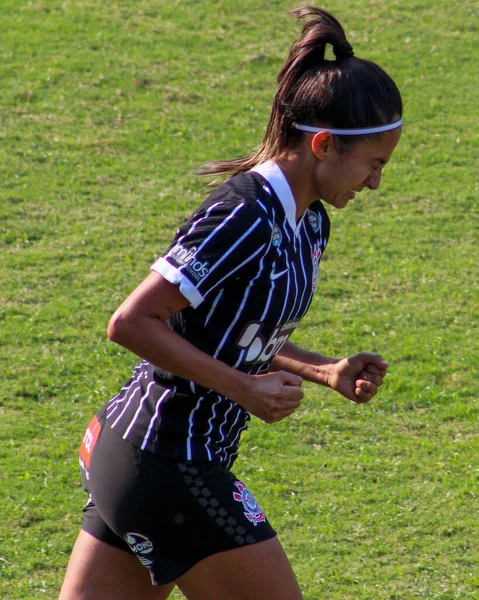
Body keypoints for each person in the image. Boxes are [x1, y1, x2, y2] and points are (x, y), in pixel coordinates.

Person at [59, 6, 402, 600]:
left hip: (148, 462)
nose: (375, 183)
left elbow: (238, 329)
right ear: (323, 144)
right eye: (374, 164)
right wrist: (243, 388)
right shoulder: (244, 215)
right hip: (167, 460)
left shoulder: (309, 223)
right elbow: (131, 322)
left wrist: (323, 370)